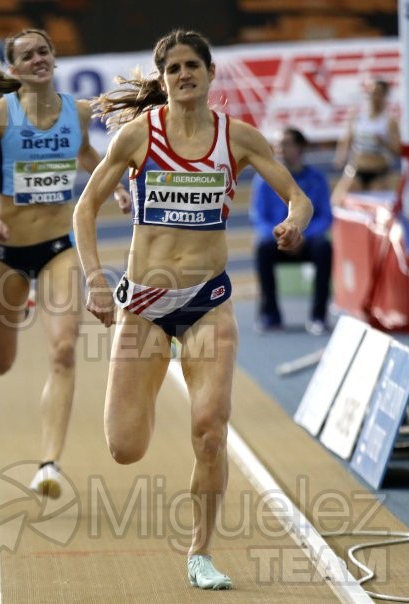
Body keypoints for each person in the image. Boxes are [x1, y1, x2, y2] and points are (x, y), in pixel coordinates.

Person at [73, 30, 313, 589]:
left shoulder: (240, 139)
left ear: (209, 73)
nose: (184, 75)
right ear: (163, 80)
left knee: (210, 430)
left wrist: (295, 221)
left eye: (192, 65)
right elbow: (85, 209)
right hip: (145, 307)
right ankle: (146, 388)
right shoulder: (138, 138)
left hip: (208, 303)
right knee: (126, 447)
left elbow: (297, 197)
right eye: (174, 68)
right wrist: (94, 281)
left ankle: (200, 552)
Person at [0, 28, 130, 499]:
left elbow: (89, 154)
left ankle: (49, 464)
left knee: (64, 350)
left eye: (44, 51)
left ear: (53, 58)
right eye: (27, 55)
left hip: (58, 248)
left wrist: (115, 186)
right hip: (7, 253)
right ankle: (21, 303)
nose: (38, 60)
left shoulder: (78, 112)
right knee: (1, 361)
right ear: (14, 70)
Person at [250, 127, 333, 335]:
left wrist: (301, 235)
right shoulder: (262, 180)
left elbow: (325, 216)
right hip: (277, 241)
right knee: (262, 247)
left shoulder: (317, 179)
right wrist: (282, 235)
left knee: (324, 247)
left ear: (300, 148)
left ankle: (319, 317)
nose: (279, 148)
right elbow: (259, 217)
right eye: (277, 144)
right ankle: (271, 315)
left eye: (285, 144)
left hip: (307, 241)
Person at [332, 77, 400, 205]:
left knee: (377, 207)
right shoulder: (358, 117)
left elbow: (397, 150)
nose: (373, 96)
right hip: (357, 169)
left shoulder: (389, 121)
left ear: (384, 95)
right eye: (371, 92)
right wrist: (341, 157)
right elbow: (347, 138)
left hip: (379, 172)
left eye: (378, 92)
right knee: (337, 202)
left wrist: (383, 143)